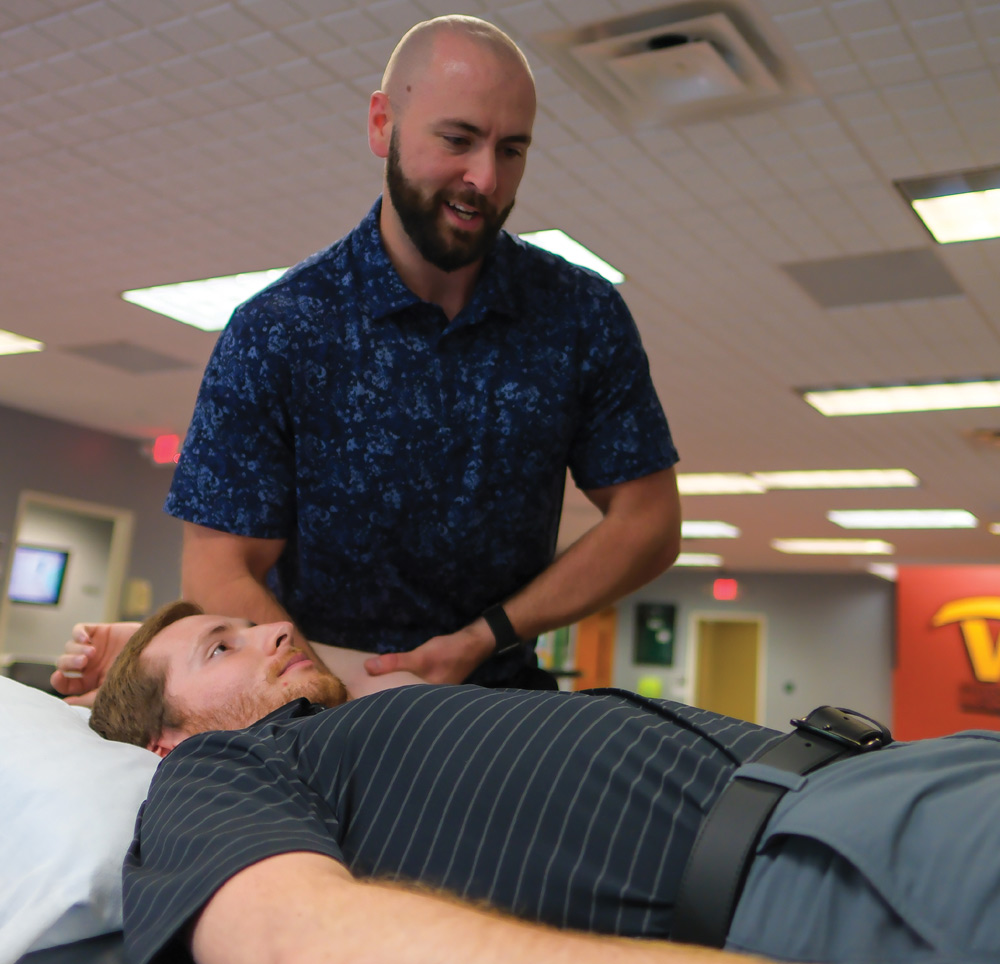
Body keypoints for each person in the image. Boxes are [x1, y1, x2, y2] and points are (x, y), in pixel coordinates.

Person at [161, 14, 682, 691]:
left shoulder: (580, 315)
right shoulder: (279, 329)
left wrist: (485, 635)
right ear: (383, 125)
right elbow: (216, 571)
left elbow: (651, 522)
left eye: (513, 150)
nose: (486, 179)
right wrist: (344, 699)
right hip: (322, 712)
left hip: (501, 708)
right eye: (458, 140)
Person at [92, 602, 1000, 964]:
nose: (274, 631)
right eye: (225, 646)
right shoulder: (222, 767)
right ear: (165, 740)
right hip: (819, 874)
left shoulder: (363, 728)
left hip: (892, 777)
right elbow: (289, 933)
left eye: (252, 622)